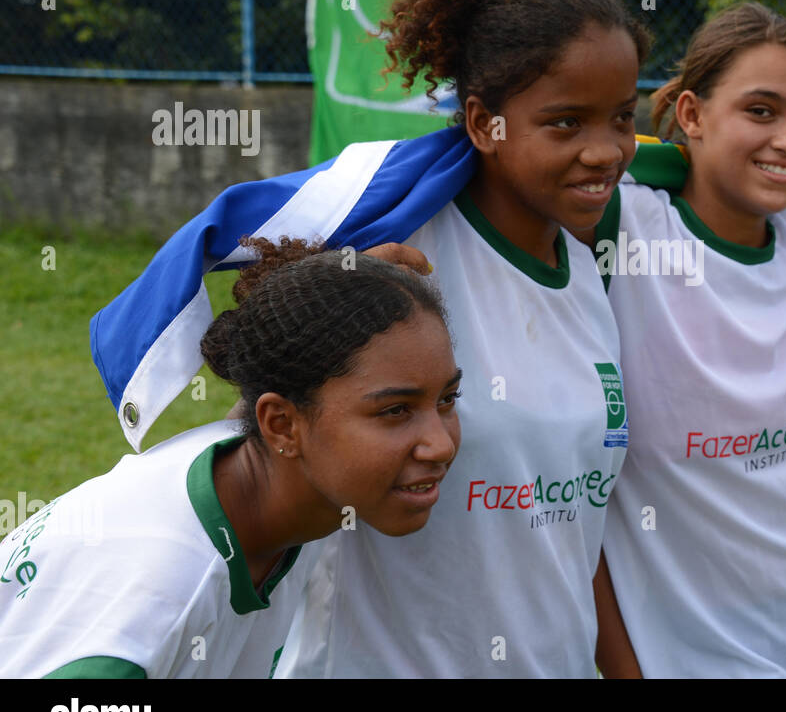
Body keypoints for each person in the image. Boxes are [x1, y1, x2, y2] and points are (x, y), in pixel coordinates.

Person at [273, 0, 651, 678]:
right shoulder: (400, 263)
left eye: (622, 117)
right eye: (566, 122)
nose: (606, 149)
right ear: (485, 122)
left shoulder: (587, 273)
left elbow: (569, 528)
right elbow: (277, 454)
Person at [0, 240, 461, 678]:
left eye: (447, 399)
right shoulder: (157, 601)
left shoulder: (278, 474)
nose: (439, 445)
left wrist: (333, 293)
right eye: (395, 410)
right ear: (281, 425)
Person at [591, 3, 786, 677]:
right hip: (686, 645)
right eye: (761, 110)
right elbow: (540, 153)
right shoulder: (626, 227)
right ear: (691, 115)